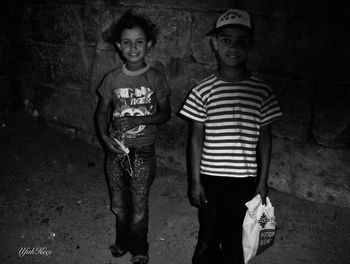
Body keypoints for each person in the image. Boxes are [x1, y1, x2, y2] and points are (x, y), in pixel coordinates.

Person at [179, 9, 282, 264]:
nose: (233, 48)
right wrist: (195, 181)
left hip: (244, 179)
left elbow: (265, 139)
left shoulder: (262, 91)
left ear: (251, 47)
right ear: (214, 44)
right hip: (210, 178)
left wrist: (262, 181)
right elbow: (195, 138)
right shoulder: (202, 90)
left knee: (237, 234)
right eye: (225, 40)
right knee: (209, 232)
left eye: (241, 42)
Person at [95, 9, 171, 264]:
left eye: (139, 41)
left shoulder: (155, 78)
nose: (133, 47)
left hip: (143, 151)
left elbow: (165, 113)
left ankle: (140, 247)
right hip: (115, 151)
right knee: (118, 202)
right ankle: (122, 241)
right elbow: (102, 110)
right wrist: (104, 138)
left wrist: (139, 119)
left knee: (138, 204)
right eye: (126, 42)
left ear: (148, 44)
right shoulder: (112, 79)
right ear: (118, 45)